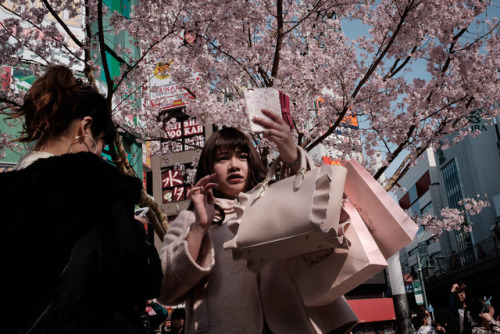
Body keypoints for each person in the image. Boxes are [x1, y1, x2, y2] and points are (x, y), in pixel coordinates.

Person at [158, 110, 358, 333]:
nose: (234, 165)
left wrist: (292, 157)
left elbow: (318, 205)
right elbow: (166, 290)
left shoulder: (275, 203)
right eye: (223, 158)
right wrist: (199, 227)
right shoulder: (190, 219)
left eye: (242, 157)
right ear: (208, 168)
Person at [0, 65, 162, 333]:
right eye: (101, 143)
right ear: (85, 128)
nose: (99, 154)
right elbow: (142, 281)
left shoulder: (8, 193)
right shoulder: (94, 184)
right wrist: (129, 227)